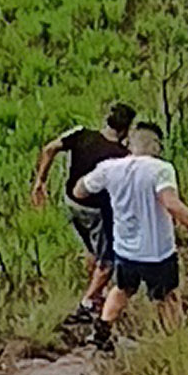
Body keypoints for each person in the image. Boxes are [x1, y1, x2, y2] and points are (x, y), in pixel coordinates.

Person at [72, 121, 188, 350]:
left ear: (130, 143)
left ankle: (101, 333)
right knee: (167, 297)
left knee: (121, 289)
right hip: (158, 251)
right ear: (157, 145)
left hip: (125, 249)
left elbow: (80, 190)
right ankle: (176, 342)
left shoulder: (109, 169)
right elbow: (171, 204)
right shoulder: (161, 169)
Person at [31, 102, 138, 319]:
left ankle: (97, 295)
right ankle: (87, 302)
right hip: (96, 211)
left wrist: (40, 181)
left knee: (92, 248)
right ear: (126, 129)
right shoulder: (120, 156)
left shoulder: (81, 134)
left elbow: (49, 148)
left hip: (71, 202)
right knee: (108, 261)